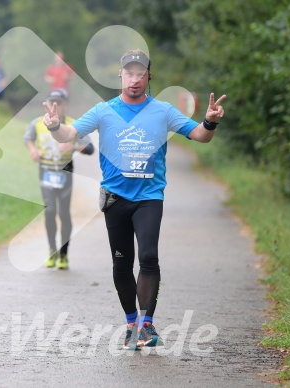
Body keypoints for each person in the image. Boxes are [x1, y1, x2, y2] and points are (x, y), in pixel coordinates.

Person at [43, 49, 226, 350]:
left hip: (149, 197)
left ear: (148, 77)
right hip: (115, 199)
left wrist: (209, 121)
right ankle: (131, 323)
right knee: (122, 263)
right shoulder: (104, 111)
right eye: (130, 73)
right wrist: (53, 126)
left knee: (149, 256)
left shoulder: (163, 111)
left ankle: (146, 324)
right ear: (121, 76)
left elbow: (200, 136)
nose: (135, 79)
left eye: (141, 74)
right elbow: (68, 134)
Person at [24, 89, 94, 270]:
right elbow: (28, 138)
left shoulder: (74, 125)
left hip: (65, 172)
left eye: (59, 103)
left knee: (63, 214)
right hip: (46, 171)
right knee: (49, 211)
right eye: (52, 102)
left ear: (65, 106)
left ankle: (63, 254)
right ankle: (52, 250)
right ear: (46, 105)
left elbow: (90, 148)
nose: (56, 106)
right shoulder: (37, 123)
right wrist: (33, 150)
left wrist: (73, 145)